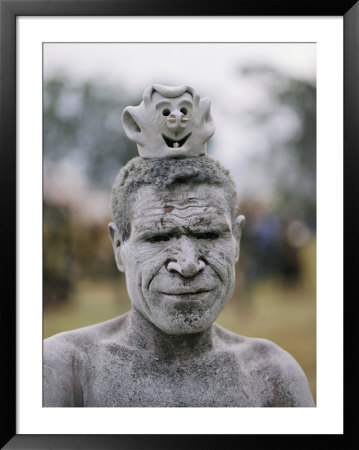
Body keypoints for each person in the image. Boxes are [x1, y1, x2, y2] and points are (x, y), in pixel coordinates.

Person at [43, 85, 314, 407]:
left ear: (237, 240)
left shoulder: (273, 375)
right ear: (118, 246)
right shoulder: (65, 369)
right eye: (157, 238)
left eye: (209, 235)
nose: (187, 265)